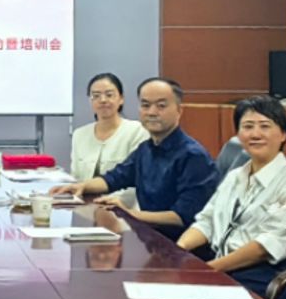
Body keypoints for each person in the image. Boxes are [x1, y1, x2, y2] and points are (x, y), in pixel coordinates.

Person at [175, 95, 286, 293]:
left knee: (187, 296)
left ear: (283, 134)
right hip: (227, 267)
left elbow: (264, 247)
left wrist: (208, 270)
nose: (255, 134)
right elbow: (207, 221)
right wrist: (178, 251)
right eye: (248, 127)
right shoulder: (236, 176)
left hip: (270, 277)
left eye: (265, 126)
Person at [55, 76, 217, 240]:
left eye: (161, 106)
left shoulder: (193, 156)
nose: (152, 112)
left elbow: (184, 217)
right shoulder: (146, 149)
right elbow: (114, 178)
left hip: (181, 247)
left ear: (179, 110)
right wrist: (81, 186)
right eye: (145, 105)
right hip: (150, 239)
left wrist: (130, 214)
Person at [69, 72, 149, 209]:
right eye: (96, 96)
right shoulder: (80, 134)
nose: (103, 100)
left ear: (121, 99)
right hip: (85, 208)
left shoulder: (137, 131)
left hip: (123, 209)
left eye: (109, 95)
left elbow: (137, 180)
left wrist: (108, 202)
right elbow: (76, 178)